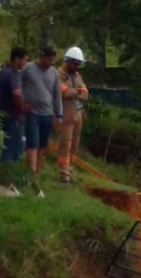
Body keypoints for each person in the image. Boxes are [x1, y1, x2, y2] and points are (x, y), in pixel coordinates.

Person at [20, 46, 63, 180]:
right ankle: (31, 172)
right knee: (32, 142)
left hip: (47, 113)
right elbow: (17, 85)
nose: (50, 62)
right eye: (48, 59)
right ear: (41, 57)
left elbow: (57, 94)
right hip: (32, 112)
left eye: (52, 60)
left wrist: (59, 114)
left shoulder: (54, 73)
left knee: (42, 144)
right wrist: (21, 103)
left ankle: (37, 171)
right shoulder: (28, 69)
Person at [56, 46, 89, 183]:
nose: (77, 66)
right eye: (76, 63)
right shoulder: (58, 75)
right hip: (66, 114)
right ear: (69, 61)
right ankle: (63, 173)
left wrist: (76, 91)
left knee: (75, 143)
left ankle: (70, 170)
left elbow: (85, 94)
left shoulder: (76, 75)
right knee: (65, 143)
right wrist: (77, 91)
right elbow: (65, 93)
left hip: (78, 113)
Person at [0, 46, 29, 166]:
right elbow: (17, 94)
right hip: (13, 116)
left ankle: (3, 168)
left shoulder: (3, 71)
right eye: (24, 60)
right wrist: (22, 109)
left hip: (1, 113)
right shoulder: (14, 74)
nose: (25, 63)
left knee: (5, 146)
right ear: (17, 59)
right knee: (13, 148)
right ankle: (9, 172)